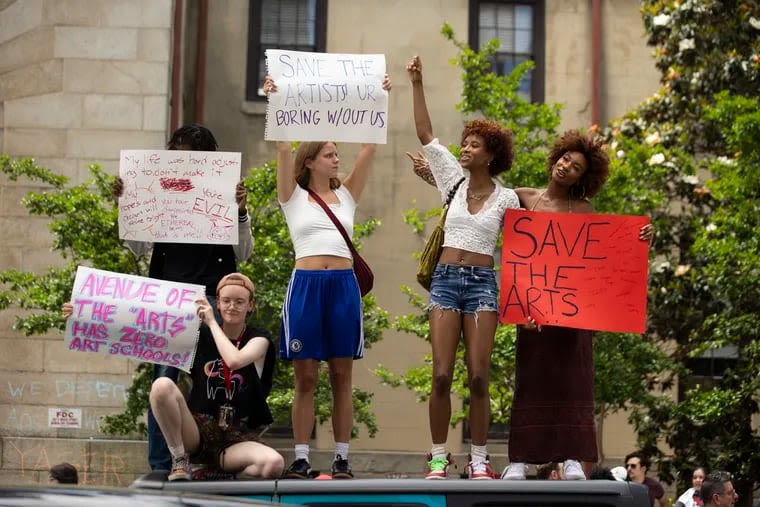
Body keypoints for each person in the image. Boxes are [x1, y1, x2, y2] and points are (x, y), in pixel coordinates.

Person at [500, 131, 654, 481]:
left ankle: (570, 458)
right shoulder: (523, 198)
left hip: (573, 317)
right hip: (532, 316)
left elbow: (605, 258)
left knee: (573, 381)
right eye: (565, 159)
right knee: (531, 381)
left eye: (577, 167)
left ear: (585, 178)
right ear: (556, 158)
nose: (566, 166)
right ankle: (522, 459)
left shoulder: (586, 211)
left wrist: (642, 238)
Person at [262, 74, 391, 480]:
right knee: (306, 376)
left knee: (341, 375)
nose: (338, 158)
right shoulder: (292, 197)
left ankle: (341, 458)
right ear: (311, 161)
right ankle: (301, 456)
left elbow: (371, 144)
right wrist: (275, 99)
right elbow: (282, 146)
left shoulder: (348, 194)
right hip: (305, 287)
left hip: (342, 289)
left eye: (338, 153)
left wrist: (380, 97)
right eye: (331, 154)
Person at [113, 123, 254, 472]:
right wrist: (126, 204)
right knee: (163, 381)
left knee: (214, 380)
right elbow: (136, 246)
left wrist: (239, 211)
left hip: (210, 296)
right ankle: (163, 464)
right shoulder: (158, 191)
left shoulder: (223, 194)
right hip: (167, 296)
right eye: (174, 152)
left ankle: (212, 457)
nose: (178, 161)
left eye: (187, 153)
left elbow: (245, 252)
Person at [407, 55, 520, 480]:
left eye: (473, 145)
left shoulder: (508, 199)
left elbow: (547, 223)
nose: (464, 148)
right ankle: (438, 455)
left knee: (477, 376)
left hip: (482, 288)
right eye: (465, 143)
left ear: (490, 156)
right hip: (445, 283)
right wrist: (417, 82)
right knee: (439, 375)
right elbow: (425, 134)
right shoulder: (451, 182)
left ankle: (478, 458)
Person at [65, 273, 284, 481]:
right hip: (197, 433)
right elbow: (138, 328)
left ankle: (218, 474)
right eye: (226, 301)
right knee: (161, 386)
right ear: (217, 303)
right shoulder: (197, 335)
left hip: (237, 439)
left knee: (273, 464)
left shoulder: (259, 338)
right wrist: (84, 313)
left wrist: (211, 322)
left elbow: (234, 360)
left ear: (251, 305)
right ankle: (179, 458)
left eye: (239, 301)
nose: (232, 307)